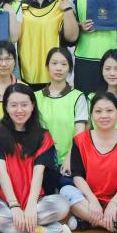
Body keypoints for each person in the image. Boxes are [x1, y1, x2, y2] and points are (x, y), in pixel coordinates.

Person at [0, 84, 72, 233]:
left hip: (36, 201)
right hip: (5, 201)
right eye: (13, 105)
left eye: (24, 105)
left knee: (62, 206)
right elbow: (1, 172)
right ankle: (41, 230)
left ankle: (2, 229)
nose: (19, 110)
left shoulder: (43, 136)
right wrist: (14, 206)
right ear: (6, 107)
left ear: (32, 106)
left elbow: (38, 173)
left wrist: (31, 207)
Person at [59, 93, 117, 233]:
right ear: (91, 115)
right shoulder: (80, 140)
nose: (104, 115)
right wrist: (93, 200)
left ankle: (87, 221)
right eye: (98, 111)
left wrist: (113, 203)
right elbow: (77, 176)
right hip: (88, 199)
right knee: (65, 192)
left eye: (109, 110)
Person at [18, 0, 79, 89]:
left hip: (55, 73)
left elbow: (72, 38)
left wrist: (68, 10)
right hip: (26, 71)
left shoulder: (62, 5)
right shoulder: (21, 6)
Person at [34, 47, 88, 177]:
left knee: (67, 185)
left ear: (70, 68)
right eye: (54, 63)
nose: (59, 68)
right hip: (41, 160)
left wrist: (69, 158)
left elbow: (80, 132)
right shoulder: (35, 97)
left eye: (64, 64)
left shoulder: (78, 96)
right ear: (47, 67)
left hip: (69, 160)